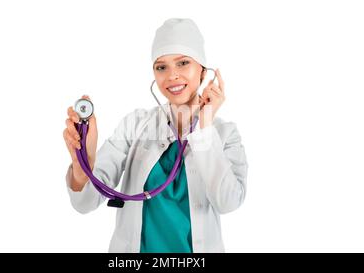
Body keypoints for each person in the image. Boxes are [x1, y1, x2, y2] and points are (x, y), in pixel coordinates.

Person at [62, 18, 248, 253]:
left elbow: (228, 202)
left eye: (183, 63)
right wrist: (83, 165)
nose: (172, 75)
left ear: (203, 71)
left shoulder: (225, 134)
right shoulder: (134, 125)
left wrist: (205, 128)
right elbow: (85, 203)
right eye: (162, 67)